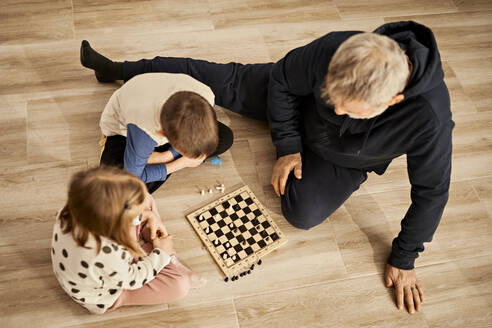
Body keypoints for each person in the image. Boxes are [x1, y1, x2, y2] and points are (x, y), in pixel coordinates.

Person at [78, 21, 454, 314]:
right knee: (206, 80)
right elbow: (283, 80)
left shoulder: (430, 120)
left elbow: (432, 193)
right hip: (291, 104)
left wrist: (404, 257)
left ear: (393, 100)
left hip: (341, 159)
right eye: (332, 98)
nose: (336, 111)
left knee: (302, 213)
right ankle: (120, 68)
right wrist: (287, 146)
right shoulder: (339, 48)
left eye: (348, 109)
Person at [80, 40, 234, 194]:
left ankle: (146, 158)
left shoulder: (206, 95)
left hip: (162, 119)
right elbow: (133, 177)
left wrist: (166, 155)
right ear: (162, 135)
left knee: (224, 138)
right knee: (124, 189)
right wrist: (181, 163)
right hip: (123, 133)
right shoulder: (144, 132)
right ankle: (143, 158)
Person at [51, 166, 205, 314]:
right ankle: (166, 257)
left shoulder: (76, 207)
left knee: (145, 198)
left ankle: (161, 255)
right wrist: (162, 253)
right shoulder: (103, 251)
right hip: (109, 292)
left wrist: (149, 215)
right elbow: (133, 279)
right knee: (180, 286)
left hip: (110, 262)